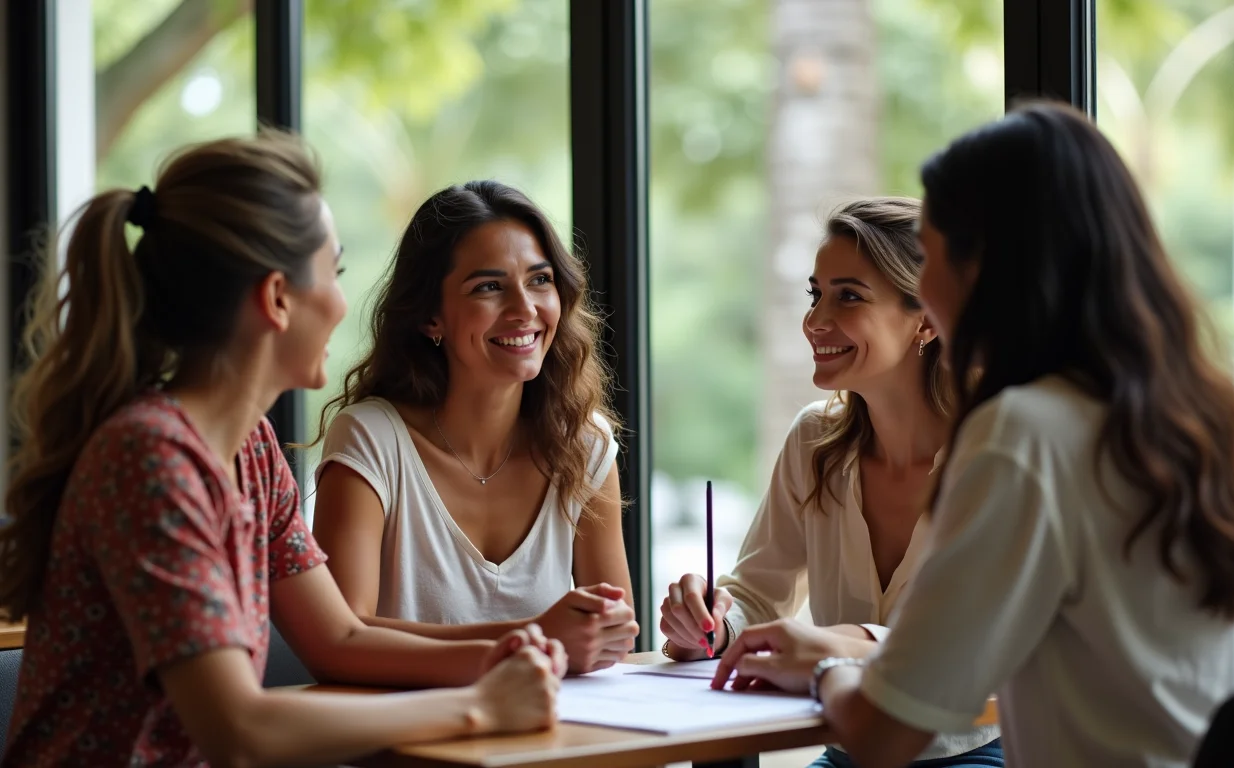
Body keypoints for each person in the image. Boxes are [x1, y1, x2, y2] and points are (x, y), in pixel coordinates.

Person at [711, 101, 1234, 768]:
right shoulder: (1197, 418)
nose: (925, 282)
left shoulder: (1023, 435)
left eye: (936, 252)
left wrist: (823, 666)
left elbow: (884, 733)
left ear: (985, 269)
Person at [0, 133, 566, 767]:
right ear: (276, 299)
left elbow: (340, 636)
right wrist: (482, 706)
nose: (342, 302)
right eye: (335, 272)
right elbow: (239, 733)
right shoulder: (150, 458)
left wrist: (513, 654)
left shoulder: (251, 448)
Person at [659, 198, 1001, 766]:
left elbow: (975, 641)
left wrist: (839, 644)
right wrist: (714, 623)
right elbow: (757, 595)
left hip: (976, 752)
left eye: (849, 296)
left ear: (926, 317)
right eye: (817, 294)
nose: (815, 321)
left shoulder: (996, 448)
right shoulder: (814, 441)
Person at [310, 180, 638, 675]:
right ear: (429, 318)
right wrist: (535, 637)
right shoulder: (371, 440)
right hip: (412, 742)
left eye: (540, 280)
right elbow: (343, 636)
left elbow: (616, 639)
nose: (525, 309)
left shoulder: (584, 444)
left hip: (556, 740)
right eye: (488, 287)